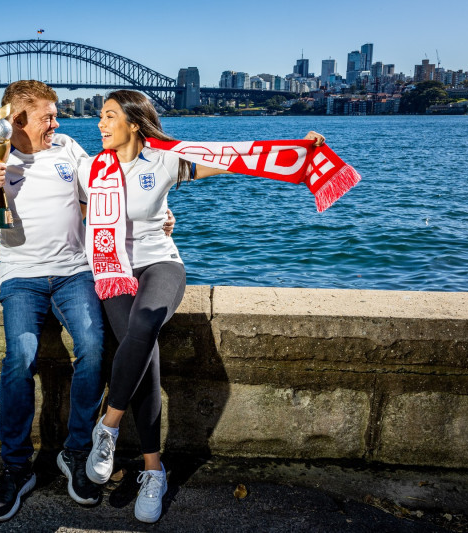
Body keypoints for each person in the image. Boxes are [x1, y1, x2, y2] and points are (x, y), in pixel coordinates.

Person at [78, 89, 325, 524]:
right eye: (100, 116)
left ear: (134, 124)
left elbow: (235, 157)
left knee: (147, 321)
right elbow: (69, 205)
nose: (100, 123)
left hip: (160, 263)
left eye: (109, 116)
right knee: (145, 358)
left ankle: (108, 426)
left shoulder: (166, 159)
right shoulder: (92, 169)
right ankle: (155, 472)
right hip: (113, 267)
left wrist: (299, 149)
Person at [0, 80, 105, 521]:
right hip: (20, 278)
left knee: (93, 349)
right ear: (17, 120)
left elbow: (104, 196)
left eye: (55, 114)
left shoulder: (68, 148)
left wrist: (156, 214)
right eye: (48, 116)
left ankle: (76, 452)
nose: (57, 122)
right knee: (20, 357)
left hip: (74, 272)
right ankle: (15, 467)